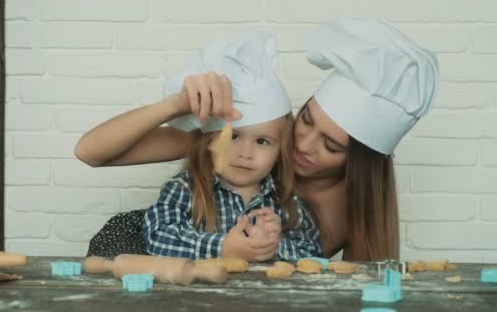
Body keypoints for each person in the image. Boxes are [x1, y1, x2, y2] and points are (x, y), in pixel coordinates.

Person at [77, 19, 439, 261]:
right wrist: (175, 104)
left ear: (358, 163)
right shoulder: (236, 145)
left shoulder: (348, 215)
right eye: (307, 119)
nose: (304, 144)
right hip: (142, 245)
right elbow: (90, 152)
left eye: (331, 146)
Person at [143, 34, 321, 261]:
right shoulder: (186, 189)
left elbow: (313, 257)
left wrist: (274, 245)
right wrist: (223, 247)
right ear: (210, 141)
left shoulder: (288, 204)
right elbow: (157, 237)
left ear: (280, 153)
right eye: (234, 136)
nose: (245, 153)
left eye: (262, 141)